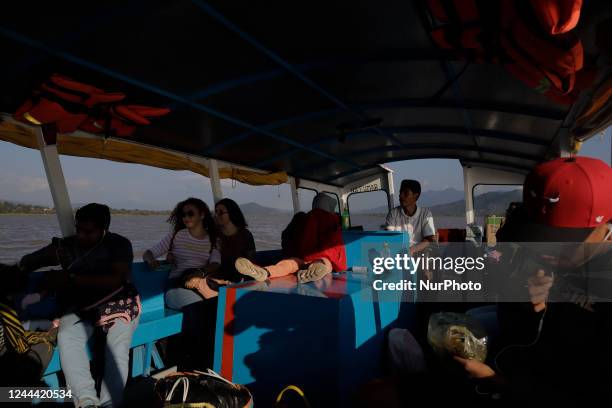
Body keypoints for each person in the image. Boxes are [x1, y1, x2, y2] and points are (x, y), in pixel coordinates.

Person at [387, 157, 612, 405]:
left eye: (562, 239)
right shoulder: (559, 264)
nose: (548, 251)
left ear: (607, 228)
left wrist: (496, 381)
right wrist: (534, 309)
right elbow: (533, 339)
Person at [15, 203, 139, 407]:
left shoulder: (119, 244)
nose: (81, 235)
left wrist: (71, 278)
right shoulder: (69, 245)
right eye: (78, 229)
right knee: (66, 337)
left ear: (103, 229)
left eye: (88, 232)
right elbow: (30, 261)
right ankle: (86, 401)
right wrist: (30, 264)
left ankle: (110, 403)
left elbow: (115, 279)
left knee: (117, 347)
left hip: (120, 305)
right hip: (82, 307)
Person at [235, 192, 347, 283]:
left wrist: (292, 255)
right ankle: (315, 270)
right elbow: (334, 246)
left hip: (301, 258)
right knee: (325, 263)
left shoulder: (303, 218)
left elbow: (287, 237)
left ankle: (265, 271)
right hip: (320, 258)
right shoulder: (333, 220)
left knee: (287, 264)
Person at [143, 198, 221, 310]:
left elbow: (215, 263)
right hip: (177, 285)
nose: (186, 217)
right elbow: (148, 253)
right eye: (183, 215)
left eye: (190, 214)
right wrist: (150, 260)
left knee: (220, 307)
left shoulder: (213, 240)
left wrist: (200, 273)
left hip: (201, 283)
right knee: (200, 308)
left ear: (202, 215)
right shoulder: (176, 236)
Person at [384, 179, 436, 255]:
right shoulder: (393, 213)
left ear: (416, 195)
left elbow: (429, 239)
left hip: (420, 255)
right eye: (400, 192)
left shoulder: (425, 214)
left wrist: (412, 250)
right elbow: (389, 237)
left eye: (405, 193)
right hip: (397, 254)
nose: (401, 196)